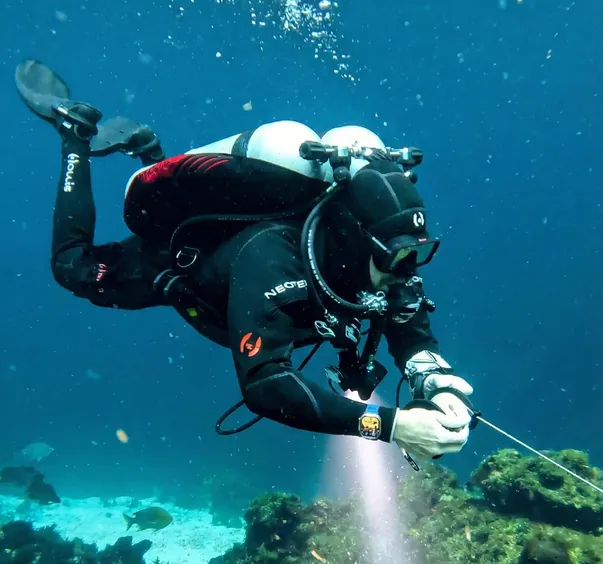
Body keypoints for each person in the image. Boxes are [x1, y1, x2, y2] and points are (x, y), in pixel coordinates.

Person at [15, 60, 475, 463]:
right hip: (175, 265)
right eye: (395, 257)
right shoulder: (273, 257)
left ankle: (152, 152)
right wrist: (392, 426)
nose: (406, 272)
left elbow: (412, 336)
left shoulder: (388, 260)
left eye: (417, 254)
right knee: (71, 267)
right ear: (354, 241)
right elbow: (267, 386)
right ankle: (74, 135)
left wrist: (438, 384)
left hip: (249, 273)